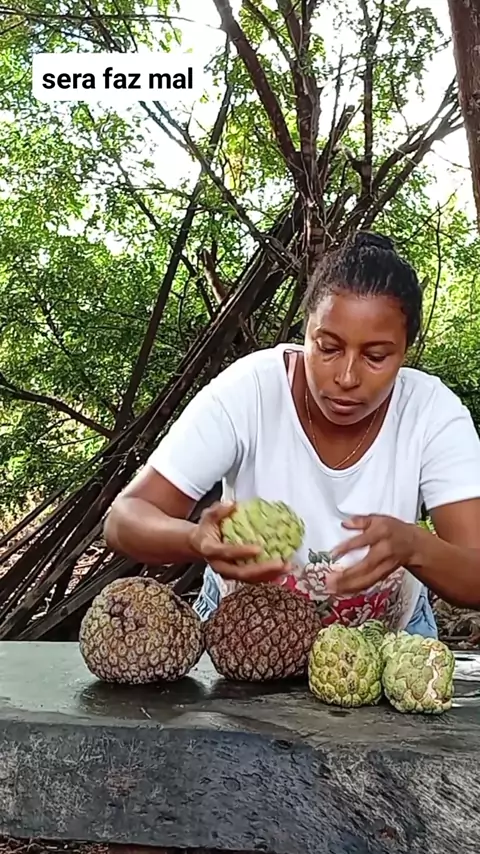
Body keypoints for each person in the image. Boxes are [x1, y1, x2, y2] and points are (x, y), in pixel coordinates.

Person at [104, 231, 480, 638]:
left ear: (405, 351)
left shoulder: (431, 413)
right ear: (306, 333)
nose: (347, 377)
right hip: (243, 637)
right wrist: (195, 539)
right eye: (328, 348)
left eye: (375, 357)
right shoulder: (250, 392)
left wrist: (415, 546)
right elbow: (124, 520)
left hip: (386, 644)